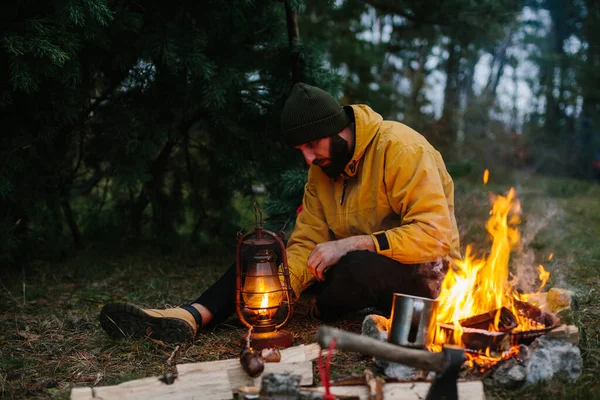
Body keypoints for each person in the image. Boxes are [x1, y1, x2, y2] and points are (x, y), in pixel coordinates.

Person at [99, 83, 461, 344]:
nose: (307, 158)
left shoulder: (400, 149)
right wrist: (277, 285)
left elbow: (435, 236)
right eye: (300, 150)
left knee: (355, 265)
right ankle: (192, 315)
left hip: (424, 278)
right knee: (262, 253)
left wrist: (355, 243)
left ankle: (326, 308)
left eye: (311, 145)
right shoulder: (322, 169)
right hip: (358, 272)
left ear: (337, 131)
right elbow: (306, 242)